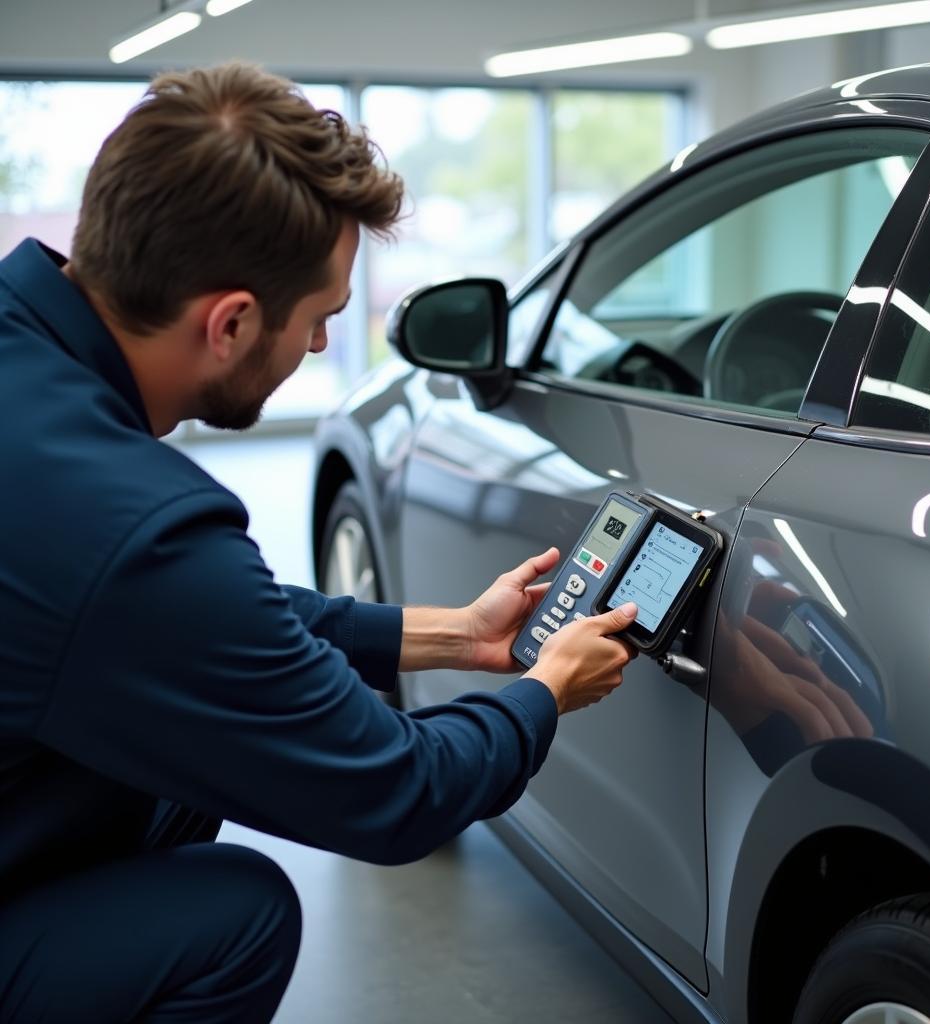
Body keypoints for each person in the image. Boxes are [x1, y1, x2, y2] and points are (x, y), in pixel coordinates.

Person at [0, 63, 638, 1021]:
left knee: (171, 787)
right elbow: (398, 795)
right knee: (239, 913)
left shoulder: (28, 363)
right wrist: (541, 693)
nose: (313, 349)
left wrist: (455, 637)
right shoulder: (132, 523)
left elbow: (178, 622)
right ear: (231, 323)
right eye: (321, 321)